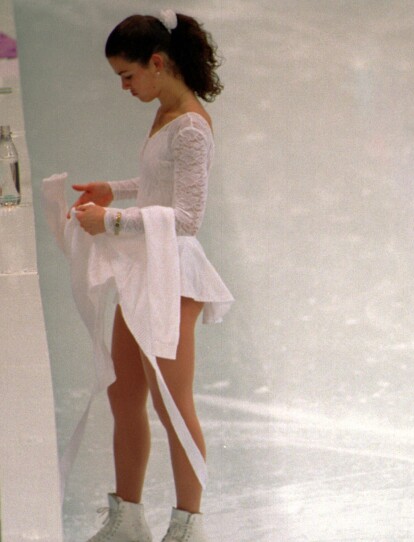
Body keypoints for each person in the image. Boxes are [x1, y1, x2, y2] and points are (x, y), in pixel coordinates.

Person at [71, 10, 232, 542]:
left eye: (128, 75)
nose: (124, 86)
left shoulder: (190, 125)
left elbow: (187, 217)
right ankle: (129, 518)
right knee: (124, 394)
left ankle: (189, 524)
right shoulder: (165, 111)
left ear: (157, 63)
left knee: (172, 403)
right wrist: (113, 191)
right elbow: (158, 184)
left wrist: (111, 222)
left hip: (172, 273)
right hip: (147, 267)